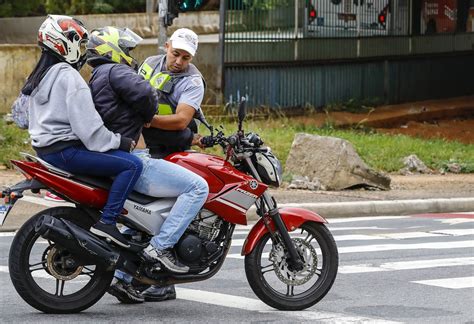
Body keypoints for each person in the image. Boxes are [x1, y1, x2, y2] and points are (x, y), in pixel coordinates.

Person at [86, 26, 209, 303]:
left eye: (186, 58)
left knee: (152, 215)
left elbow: (180, 120)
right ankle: (157, 253)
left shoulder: (193, 81)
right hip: (141, 148)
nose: (179, 61)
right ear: (166, 46)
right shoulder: (148, 64)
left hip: (169, 147)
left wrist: (144, 119)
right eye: (176, 54)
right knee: (186, 195)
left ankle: (138, 280)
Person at [24, 15, 143, 248]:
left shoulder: (40, 75)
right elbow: (90, 131)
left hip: (45, 150)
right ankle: (108, 223)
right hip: (66, 151)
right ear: (64, 43)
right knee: (132, 165)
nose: (81, 51)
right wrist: (120, 141)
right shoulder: (69, 77)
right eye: (78, 44)